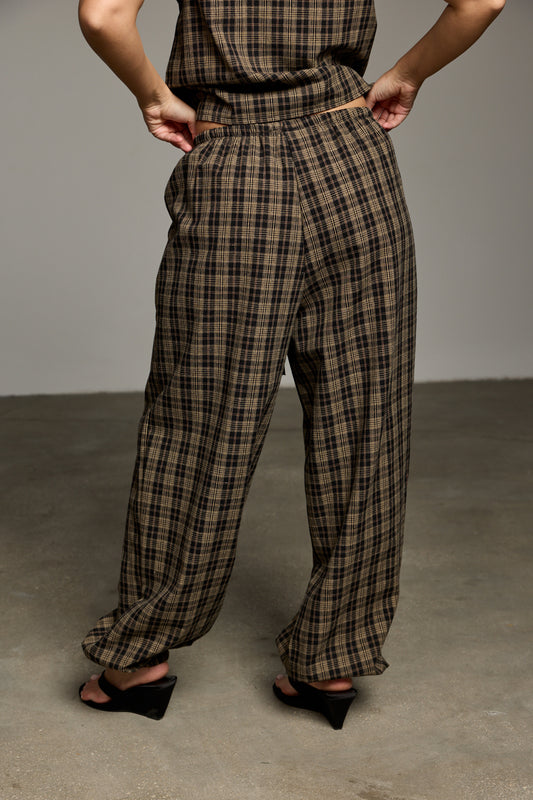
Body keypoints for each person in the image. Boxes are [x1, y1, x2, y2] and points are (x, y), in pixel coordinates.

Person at [77, 0, 506, 728]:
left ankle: (139, 655)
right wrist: (408, 74)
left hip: (235, 165)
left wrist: (153, 94)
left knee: (198, 421)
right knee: (364, 419)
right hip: (353, 156)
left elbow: (103, 15)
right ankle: (331, 658)